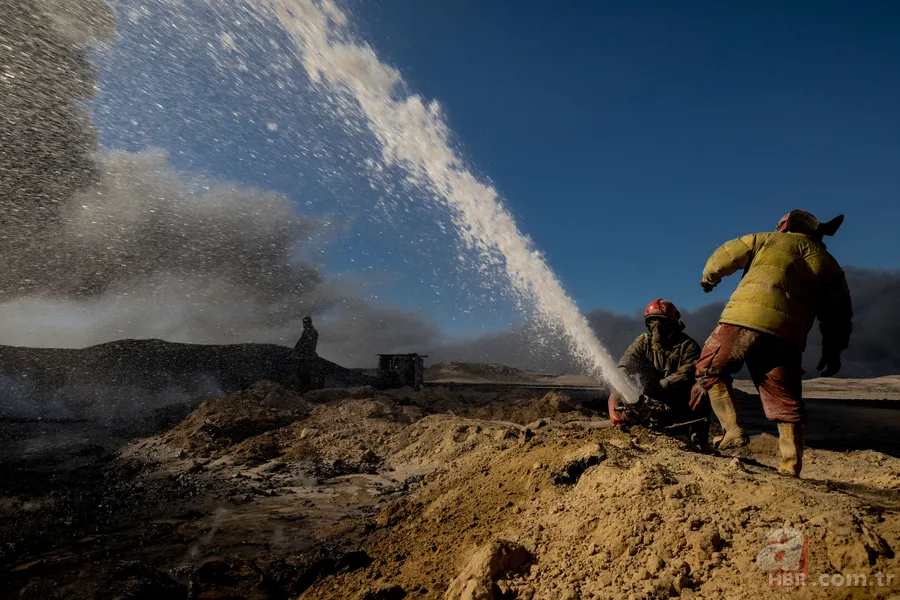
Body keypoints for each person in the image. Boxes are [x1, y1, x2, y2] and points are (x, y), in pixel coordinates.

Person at [690, 209, 853, 477]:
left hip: (744, 321)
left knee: (711, 368)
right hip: (788, 338)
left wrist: (709, 279)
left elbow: (724, 256)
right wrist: (833, 350)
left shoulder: (763, 239)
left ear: (784, 226)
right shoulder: (828, 263)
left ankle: (732, 430)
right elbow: (839, 314)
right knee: (785, 402)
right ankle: (791, 468)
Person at [608, 299, 710, 448]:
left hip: (679, 404)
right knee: (621, 385)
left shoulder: (688, 346)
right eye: (653, 321)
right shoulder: (643, 342)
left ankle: (699, 442)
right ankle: (625, 423)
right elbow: (624, 366)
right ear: (647, 324)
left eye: (663, 322)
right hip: (647, 402)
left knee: (702, 390)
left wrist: (661, 384)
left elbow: (687, 372)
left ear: (674, 324)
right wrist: (620, 392)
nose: (657, 326)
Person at [294, 316, 319, 392]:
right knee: (303, 374)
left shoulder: (311, 332)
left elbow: (305, 344)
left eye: (305, 323)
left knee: (304, 375)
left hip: (306, 357)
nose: (304, 324)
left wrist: (299, 353)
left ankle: (306, 390)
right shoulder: (309, 331)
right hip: (305, 356)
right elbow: (301, 343)